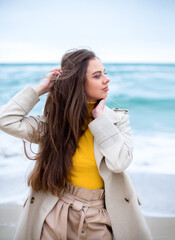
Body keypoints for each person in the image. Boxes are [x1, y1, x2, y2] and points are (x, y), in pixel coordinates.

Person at [0, 49, 152, 240]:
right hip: (54, 211)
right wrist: (41, 88)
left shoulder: (117, 120)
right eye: (97, 75)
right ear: (78, 82)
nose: (107, 79)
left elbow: (120, 162)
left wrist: (99, 120)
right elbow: (5, 120)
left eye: (105, 73)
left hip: (98, 216)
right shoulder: (53, 124)